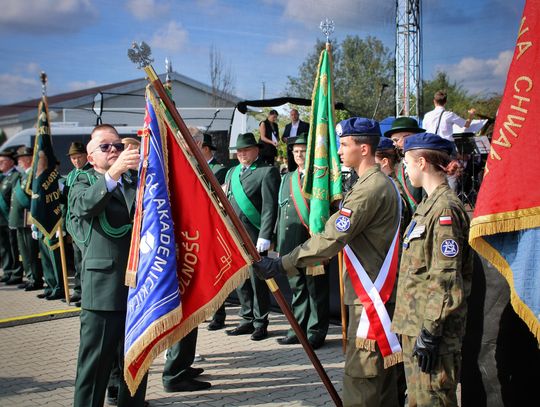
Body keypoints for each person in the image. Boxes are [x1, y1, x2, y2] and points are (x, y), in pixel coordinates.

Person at [254, 118, 402, 406]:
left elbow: (331, 239)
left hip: (369, 298)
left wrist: (283, 263)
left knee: (363, 381)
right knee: (383, 383)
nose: (339, 152)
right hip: (378, 293)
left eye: (344, 145)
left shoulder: (369, 189)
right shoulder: (381, 183)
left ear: (363, 148)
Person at [391, 132, 473, 407]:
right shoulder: (426, 206)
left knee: (433, 400)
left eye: (407, 161)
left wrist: (431, 331)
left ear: (422, 162)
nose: (405, 168)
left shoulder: (445, 209)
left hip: (432, 332)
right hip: (415, 326)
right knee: (418, 400)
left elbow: (446, 277)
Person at [69, 124, 147, 407]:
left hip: (138, 287)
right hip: (102, 290)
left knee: (135, 365)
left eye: (117, 145)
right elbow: (83, 207)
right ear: (91, 158)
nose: (114, 150)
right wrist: (113, 174)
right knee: (94, 368)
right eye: (105, 147)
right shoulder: (83, 181)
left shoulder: (135, 182)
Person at [161, 128, 216, 393]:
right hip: (184, 250)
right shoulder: (179, 169)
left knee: (191, 312)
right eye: (196, 143)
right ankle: (175, 373)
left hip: (192, 245)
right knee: (184, 312)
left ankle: (183, 363)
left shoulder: (189, 166)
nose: (199, 148)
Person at [225, 132, 280, 341]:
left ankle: (260, 322)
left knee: (258, 279)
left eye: (246, 150)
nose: (242, 154)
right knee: (240, 279)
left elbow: (269, 207)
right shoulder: (232, 173)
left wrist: (265, 235)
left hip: (256, 235)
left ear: (256, 150)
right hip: (235, 234)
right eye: (239, 151)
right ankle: (246, 318)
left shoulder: (267, 172)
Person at [275, 134, 328, 349]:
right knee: (297, 287)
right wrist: (279, 243)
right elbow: (282, 210)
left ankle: (316, 331)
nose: (299, 155)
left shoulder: (320, 177)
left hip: (312, 241)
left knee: (316, 288)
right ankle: (297, 329)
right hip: (291, 241)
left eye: (303, 151)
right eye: (296, 151)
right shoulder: (288, 178)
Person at [202, 132, 231, 331]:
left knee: (215, 269)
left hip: (213, 224)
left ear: (205, 148)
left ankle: (219, 314)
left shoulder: (219, 170)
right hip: (199, 226)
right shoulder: (197, 166)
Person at [8, 146, 43, 291]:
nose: (19, 162)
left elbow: (34, 198)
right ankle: (30, 277)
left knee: (30, 251)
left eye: (21, 159)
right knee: (24, 252)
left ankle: (35, 279)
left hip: (27, 219)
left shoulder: (32, 175)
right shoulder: (24, 175)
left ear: (28, 159)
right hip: (19, 220)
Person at [63, 141, 91, 306]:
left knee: (86, 262)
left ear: (86, 156)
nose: (76, 161)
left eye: (78, 157)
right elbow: (66, 202)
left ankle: (86, 294)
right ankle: (78, 290)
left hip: (85, 225)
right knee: (77, 261)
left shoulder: (90, 173)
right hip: (73, 224)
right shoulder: (72, 175)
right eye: (73, 158)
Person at [384, 116, 425, 212]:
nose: (394, 144)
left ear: (409, 138)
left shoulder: (425, 164)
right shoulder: (398, 165)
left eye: (396, 140)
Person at [0, 150, 24, 285]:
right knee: (3, 247)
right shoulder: (1, 176)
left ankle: (16, 272)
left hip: (9, 217)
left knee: (13, 246)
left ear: (10, 162)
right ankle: (7, 270)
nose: (0, 164)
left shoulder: (16, 176)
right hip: (1, 219)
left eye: (2, 161)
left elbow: (16, 197)